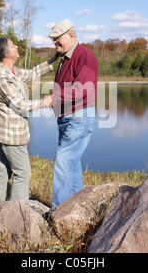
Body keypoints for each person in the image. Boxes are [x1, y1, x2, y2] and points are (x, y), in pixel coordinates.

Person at [0, 37, 57, 202]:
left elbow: (31, 74)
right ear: (6, 53)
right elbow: (19, 104)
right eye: (12, 45)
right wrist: (45, 102)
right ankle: (18, 211)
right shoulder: (1, 76)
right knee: (23, 173)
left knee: (2, 171)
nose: (16, 46)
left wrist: (52, 60)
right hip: (10, 134)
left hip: (2, 132)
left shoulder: (10, 70)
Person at [40, 20, 99, 208]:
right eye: (54, 43)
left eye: (58, 42)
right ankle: (77, 208)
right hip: (69, 117)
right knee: (71, 163)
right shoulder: (66, 57)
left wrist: (53, 98)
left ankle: (59, 211)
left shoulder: (84, 56)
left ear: (71, 36)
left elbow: (83, 89)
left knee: (63, 163)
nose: (55, 46)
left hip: (79, 117)